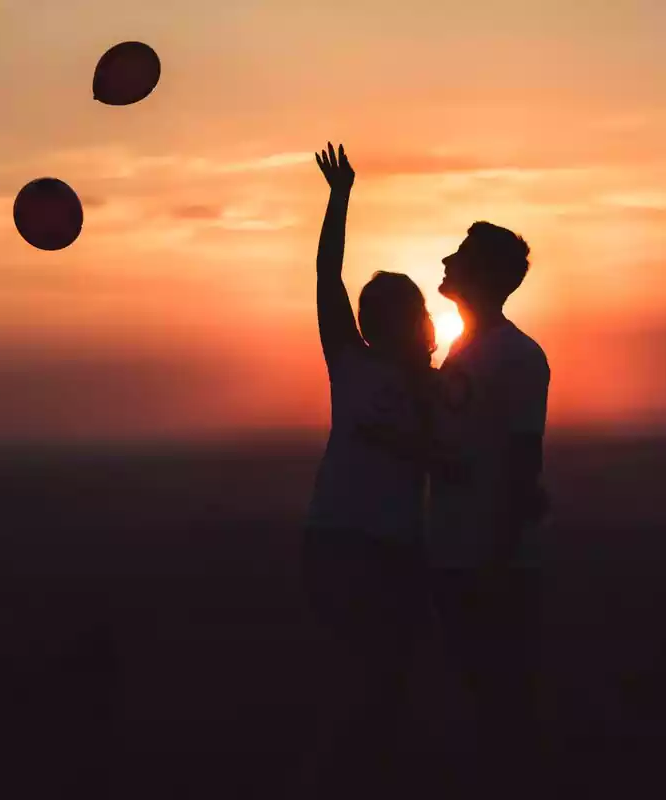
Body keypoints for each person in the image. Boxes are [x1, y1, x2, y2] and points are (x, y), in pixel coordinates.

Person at [294, 142, 437, 798]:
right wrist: (339, 196)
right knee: (351, 689)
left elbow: (449, 460)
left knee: (380, 691)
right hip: (345, 544)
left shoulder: (438, 387)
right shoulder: (351, 362)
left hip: (383, 548)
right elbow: (327, 276)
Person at [427, 221, 552, 795]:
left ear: (485, 276)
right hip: (456, 550)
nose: (447, 261)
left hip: (489, 558)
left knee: (496, 698)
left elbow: (525, 463)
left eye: (462, 256)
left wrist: (497, 561)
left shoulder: (519, 357)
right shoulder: (465, 348)